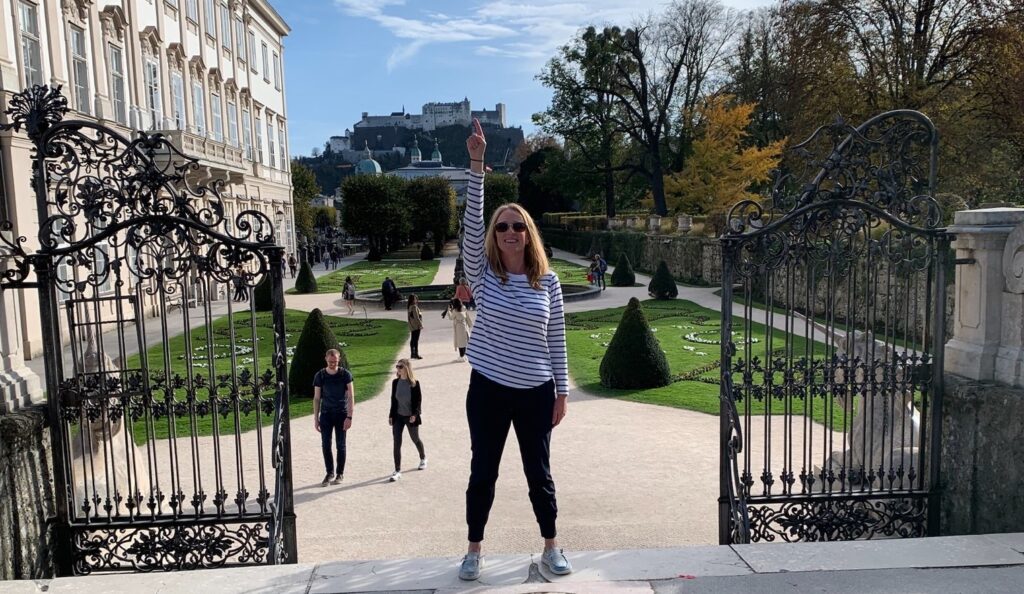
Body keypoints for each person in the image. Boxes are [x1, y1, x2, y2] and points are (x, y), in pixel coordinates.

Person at [458, 119, 571, 581]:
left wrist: (561, 393)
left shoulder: (549, 282)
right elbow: (470, 225)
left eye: (517, 226)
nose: (509, 231)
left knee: (538, 475)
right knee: (483, 472)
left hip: (535, 391)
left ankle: (551, 545)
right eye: (502, 225)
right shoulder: (483, 275)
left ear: (528, 234)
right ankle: (473, 550)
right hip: (487, 388)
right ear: (494, 233)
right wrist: (477, 165)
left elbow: (556, 339)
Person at [313, 349, 354, 487]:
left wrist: (349, 416)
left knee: (340, 445)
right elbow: (317, 398)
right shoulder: (320, 375)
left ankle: (340, 473)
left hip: (341, 414)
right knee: (326, 444)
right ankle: (329, 472)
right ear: (325, 359)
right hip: (326, 414)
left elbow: (351, 397)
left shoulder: (345, 375)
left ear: (339, 359)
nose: (332, 364)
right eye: (330, 362)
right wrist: (316, 418)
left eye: (335, 361)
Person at [388, 358, 426, 482]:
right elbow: (393, 401)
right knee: (396, 442)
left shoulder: (415, 384)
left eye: (400, 367)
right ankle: (397, 470)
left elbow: (418, 402)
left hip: (410, 417)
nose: (398, 369)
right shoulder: (395, 382)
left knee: (415, 439)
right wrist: (391, 415)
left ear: (406, 368)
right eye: (397, 366)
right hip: (398, 416)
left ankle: (423, 458)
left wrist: (415, 414)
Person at [407, 294, 424, 360]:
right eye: (415, 299)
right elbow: (416, 317)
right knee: (415, 340)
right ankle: (416, 354)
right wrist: (420, 325)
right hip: (416, 325)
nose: (416, 300)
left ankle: (412, 353)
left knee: (413, 339)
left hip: (412, 325)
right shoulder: (414, 307)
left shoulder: (410, 306)